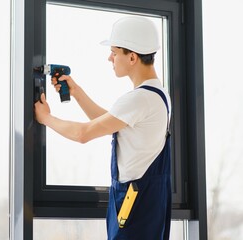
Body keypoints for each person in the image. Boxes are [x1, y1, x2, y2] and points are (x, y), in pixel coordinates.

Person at [34, 16, 172, 240]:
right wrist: (76, 91)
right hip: (147, 202)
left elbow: (83, 134)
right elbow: (109, 122)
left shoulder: (139, 99)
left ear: (132, 57)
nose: (110, 58)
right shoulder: (158, 94)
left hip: (135, 204)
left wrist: (46, 118)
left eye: (114, 52)